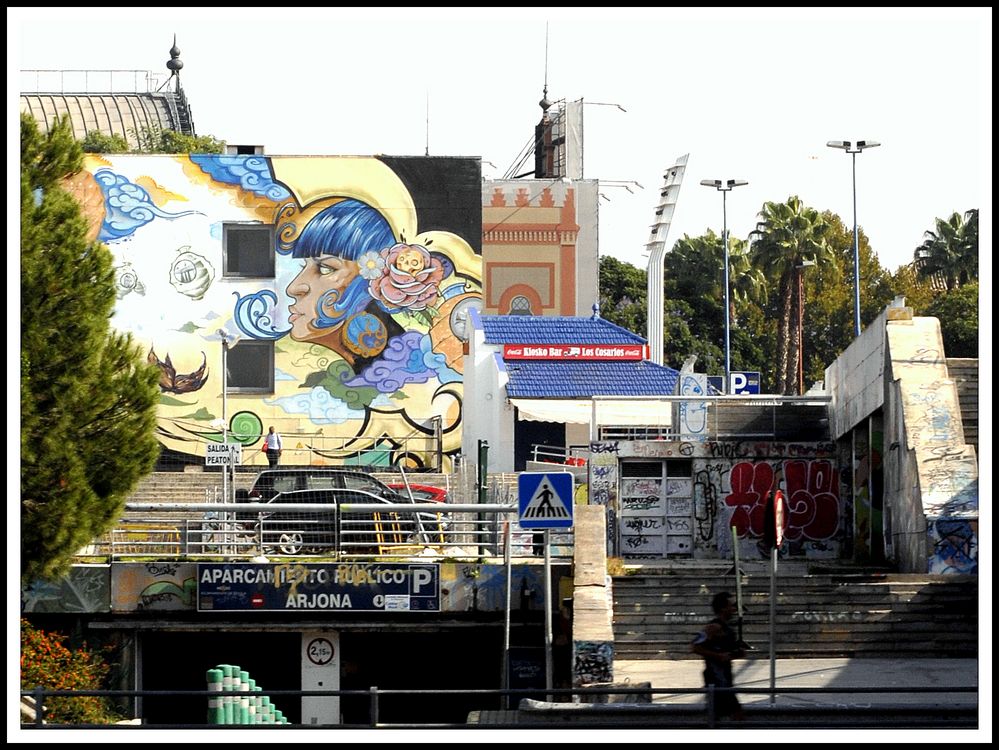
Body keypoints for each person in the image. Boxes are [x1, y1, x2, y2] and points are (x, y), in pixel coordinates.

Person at [691, 591, 746, 721]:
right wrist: (718, 656)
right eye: (731, 606)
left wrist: (736, 654)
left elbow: (725, 652)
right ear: (722, 608)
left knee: (718, 717)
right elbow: (695, 646)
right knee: (735, 716)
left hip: (725, 678)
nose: (734, 609)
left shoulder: (727, 628)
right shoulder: (713, 627)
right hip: (716, 680)